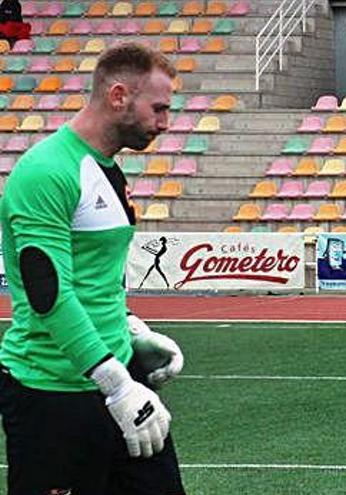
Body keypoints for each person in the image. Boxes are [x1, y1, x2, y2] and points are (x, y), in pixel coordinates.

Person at [0, 42, 186, 494]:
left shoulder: (106, 168)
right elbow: (50, 294)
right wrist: (117, 385)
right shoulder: (46, 171)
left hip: (118, 377)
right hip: (54, 395)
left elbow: (94, 277)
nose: (165, 122)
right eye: (158, 108)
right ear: (118, 95)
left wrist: (129, 331)